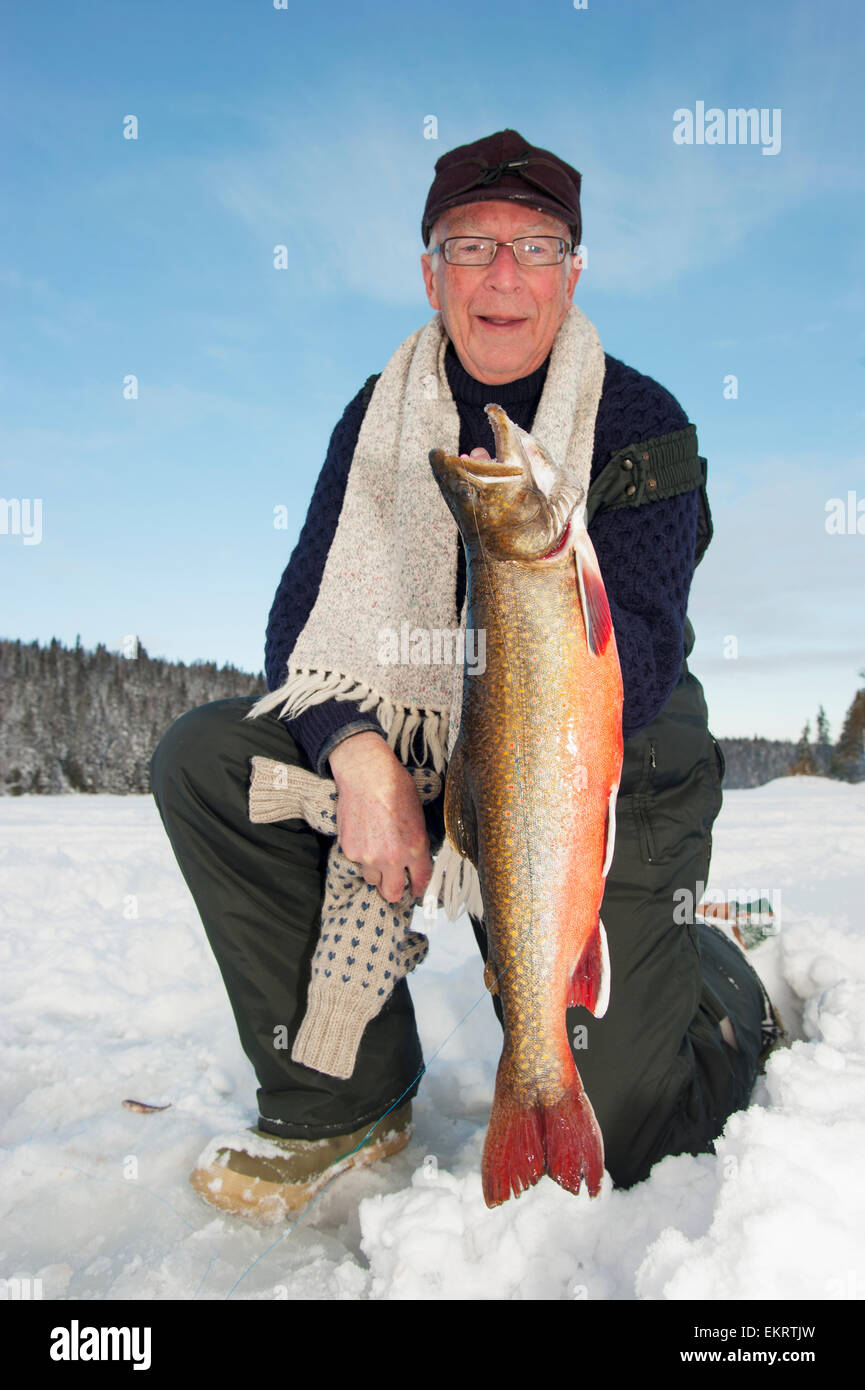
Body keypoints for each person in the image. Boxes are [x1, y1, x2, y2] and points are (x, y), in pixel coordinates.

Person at [150, 129, 782, 1220]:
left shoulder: (641, 419)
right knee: (210, 758)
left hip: (600, 753)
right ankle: (342, 1094)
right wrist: (362, 756)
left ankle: (717, 989)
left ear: (573, 273)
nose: (503, 275)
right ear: (428, 272)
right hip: (431, 733)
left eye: (536, 247)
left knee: (621, 1123)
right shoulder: (380, 412)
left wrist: (503, 777)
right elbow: (304, 616)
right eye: (470, 245)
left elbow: (636, 644)